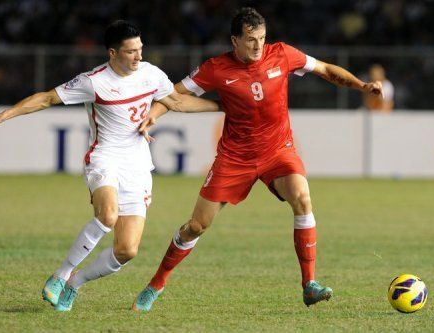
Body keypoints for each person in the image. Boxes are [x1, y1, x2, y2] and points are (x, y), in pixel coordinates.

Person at [132, 7, 384, 312]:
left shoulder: (283, 55)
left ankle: (309, 284)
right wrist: (153, 117)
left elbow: (327, 70)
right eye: (251, 40)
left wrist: (361, 86)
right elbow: (175, 95)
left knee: (302, 198)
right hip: (234, 158)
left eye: (262, 39)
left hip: (278, 151)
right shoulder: (215, 68)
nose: (257, 46)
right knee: (196, 226)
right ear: (235, 40)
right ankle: (155, 285)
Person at [0, 20, 218, 312]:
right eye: (131, 52)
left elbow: (178, 103)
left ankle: (74, 284)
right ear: (113, 53)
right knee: (107, 216)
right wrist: (2, 116)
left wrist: (226, 107)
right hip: (104, 158)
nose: (138, 57)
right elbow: (46, 98)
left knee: (127, 250)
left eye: (140, 49)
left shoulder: (151, 74)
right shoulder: (94, 81)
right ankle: (60, 276)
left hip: (138, 165)